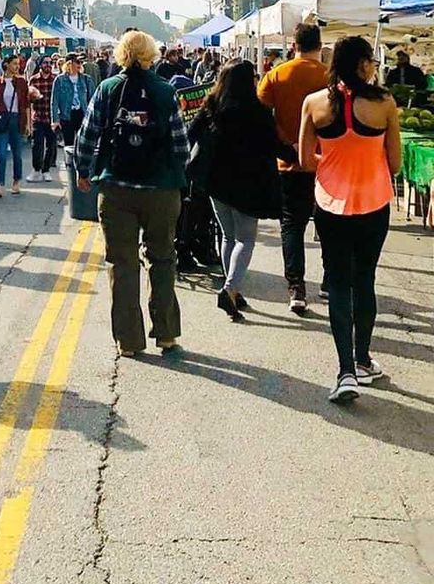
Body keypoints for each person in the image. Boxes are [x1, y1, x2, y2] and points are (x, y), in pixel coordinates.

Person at [298, 36, 401, 405]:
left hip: (329, 204)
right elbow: (395, 163)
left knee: (338, 284)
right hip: (373, 203)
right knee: (365, 279)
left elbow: (306, 159)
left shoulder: (313, 104)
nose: (373, 66)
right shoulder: (384, 103)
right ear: (361, 64)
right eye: (371, 60)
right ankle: (362, 360)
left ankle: (345, 372)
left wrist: (334, 161)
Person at [75, 31, 187, 357]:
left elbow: (87, 136)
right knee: (163, 259)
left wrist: (83, 171)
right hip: (161, 191)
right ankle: (166, 334)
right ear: (152, 55)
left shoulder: (107, 89)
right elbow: (181, 146)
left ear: (120, 54)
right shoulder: (167, 92)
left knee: (122, 265)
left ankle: (129, 341)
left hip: (116, 189)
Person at [188, 61, 281, 322]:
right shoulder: (258, 112)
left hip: (215, 183)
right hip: (248, 184)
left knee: (229, 237)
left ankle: (234, 289)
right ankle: (230, 289)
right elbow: (274, 145)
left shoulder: (211, 106)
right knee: (245, 240)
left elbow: (190, 134)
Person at [258, 22, 330, 315]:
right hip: (326, 161)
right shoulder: (330, 76)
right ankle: (329, 280)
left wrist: (281, 140)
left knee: (292, 225)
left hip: (288, 162)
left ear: (294, 45)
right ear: (319, 45)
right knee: (328, 223)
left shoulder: (276, 75)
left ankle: (296, 287)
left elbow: (260, 114)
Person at [0, 57, 30, 197]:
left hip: (17, 120)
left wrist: (28, 124)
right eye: (14, 64)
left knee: (17, 154)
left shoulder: (21, 82)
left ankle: (16, 182)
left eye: (18, 64)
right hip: (2, 120)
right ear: (6, 65)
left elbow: (26, 104)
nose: (17, 66)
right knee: (1, 154)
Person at [51, 55, 92, 149]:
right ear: (69, 63)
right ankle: (69, 163)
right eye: (77, 62)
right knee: (69, 145)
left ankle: (79, 163)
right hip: (66, 115)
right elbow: (54, 101)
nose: (80, 64)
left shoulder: (86, 79)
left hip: (82, 114)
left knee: (82, 144)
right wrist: (55, 120)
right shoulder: (60, 80)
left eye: (81, 62)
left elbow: (92, 99)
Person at [28, 55, 57, 181]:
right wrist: (33, 97)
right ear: (40, 65)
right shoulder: (33, 80)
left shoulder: (55, 79)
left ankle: (46, 170)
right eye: (45, 63)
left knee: (51, 145)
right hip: (38, 117)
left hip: (51, 118)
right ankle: (36, 169)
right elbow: (27, 99)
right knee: (37, 145)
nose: (48, 65)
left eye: (50, 63)